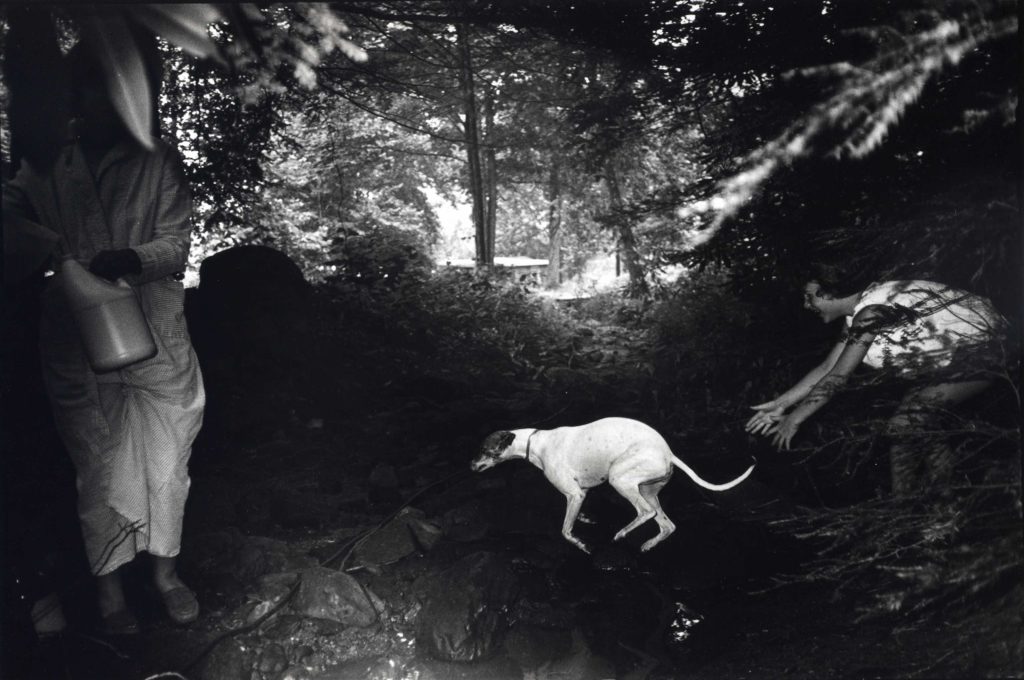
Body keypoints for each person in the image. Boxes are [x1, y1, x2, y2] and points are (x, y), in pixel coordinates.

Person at [2, 44, 205, 634]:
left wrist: (133, 258)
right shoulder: (44, 164)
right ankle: (111, 590)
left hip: (158, 335)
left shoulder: (155, 160)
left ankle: (166, 574)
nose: (106, 102)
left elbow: (176, 244)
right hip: (76, 341)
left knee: (168, 464)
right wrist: (47, 248)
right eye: (93, 89)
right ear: (75, 94)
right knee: (97, 465)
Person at [745, 271, 1008, 495]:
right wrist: (781, 405)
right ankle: (934, 508)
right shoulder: (859, 314)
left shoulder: (870, 313)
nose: (805, 305)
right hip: (959, 357)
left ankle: (912, 514)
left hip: (986, 349)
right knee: (915, 428)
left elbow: (838, 378)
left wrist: (795, 419)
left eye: (809, 296)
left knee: (905, 424)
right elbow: (827, 368)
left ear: (830, 292)